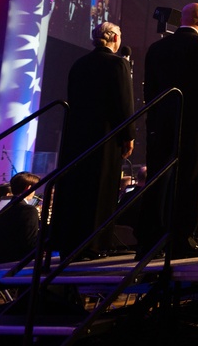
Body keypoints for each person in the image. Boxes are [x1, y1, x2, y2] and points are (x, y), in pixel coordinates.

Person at [137, 2, 198, 259]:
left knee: (157, 182)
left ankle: (148, 242)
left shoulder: (157, 48)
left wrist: (153, 121)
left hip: (161, 124)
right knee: (189, 182)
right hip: (194, 126)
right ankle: (183, 240)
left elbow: (148, 90)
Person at [53, 22, 135, 259]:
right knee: (100, 190)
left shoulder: (79, 63)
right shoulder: (118, 63)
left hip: (77, 136)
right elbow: (124, 103)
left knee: (77, 189)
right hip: (105, 136)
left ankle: (71, 242)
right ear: (115, 39)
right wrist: (128, 135)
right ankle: (95, 245)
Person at [0, 172, 41, 262]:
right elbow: (30, 243)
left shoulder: (4, 206)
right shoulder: (29, 210)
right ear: (29, 188)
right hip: (17, 260)